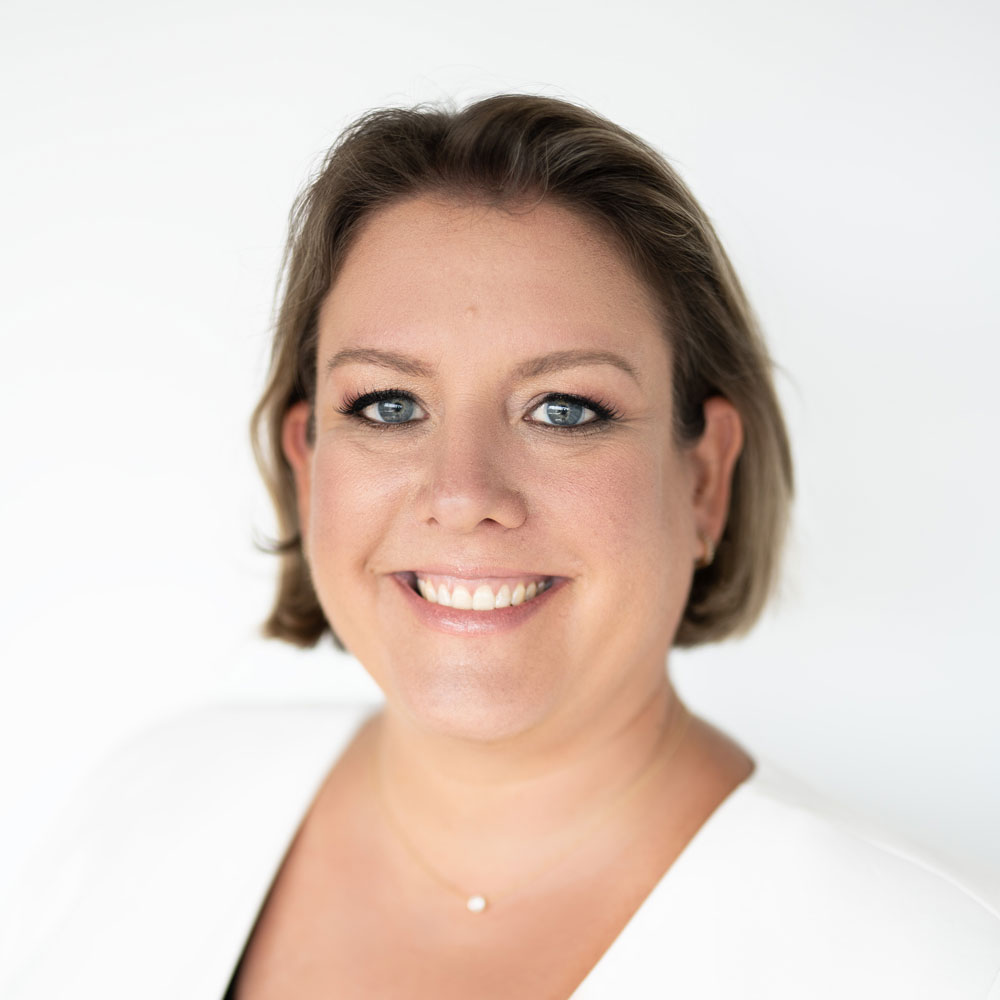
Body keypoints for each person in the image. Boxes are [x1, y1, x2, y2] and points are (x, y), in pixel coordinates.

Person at [2, 95, 998, 999]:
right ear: (309, 466)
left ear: (702, 478)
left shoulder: (931, 959)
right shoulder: (148, 797)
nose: (463, 492)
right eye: (388, 404)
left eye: (564, 408)